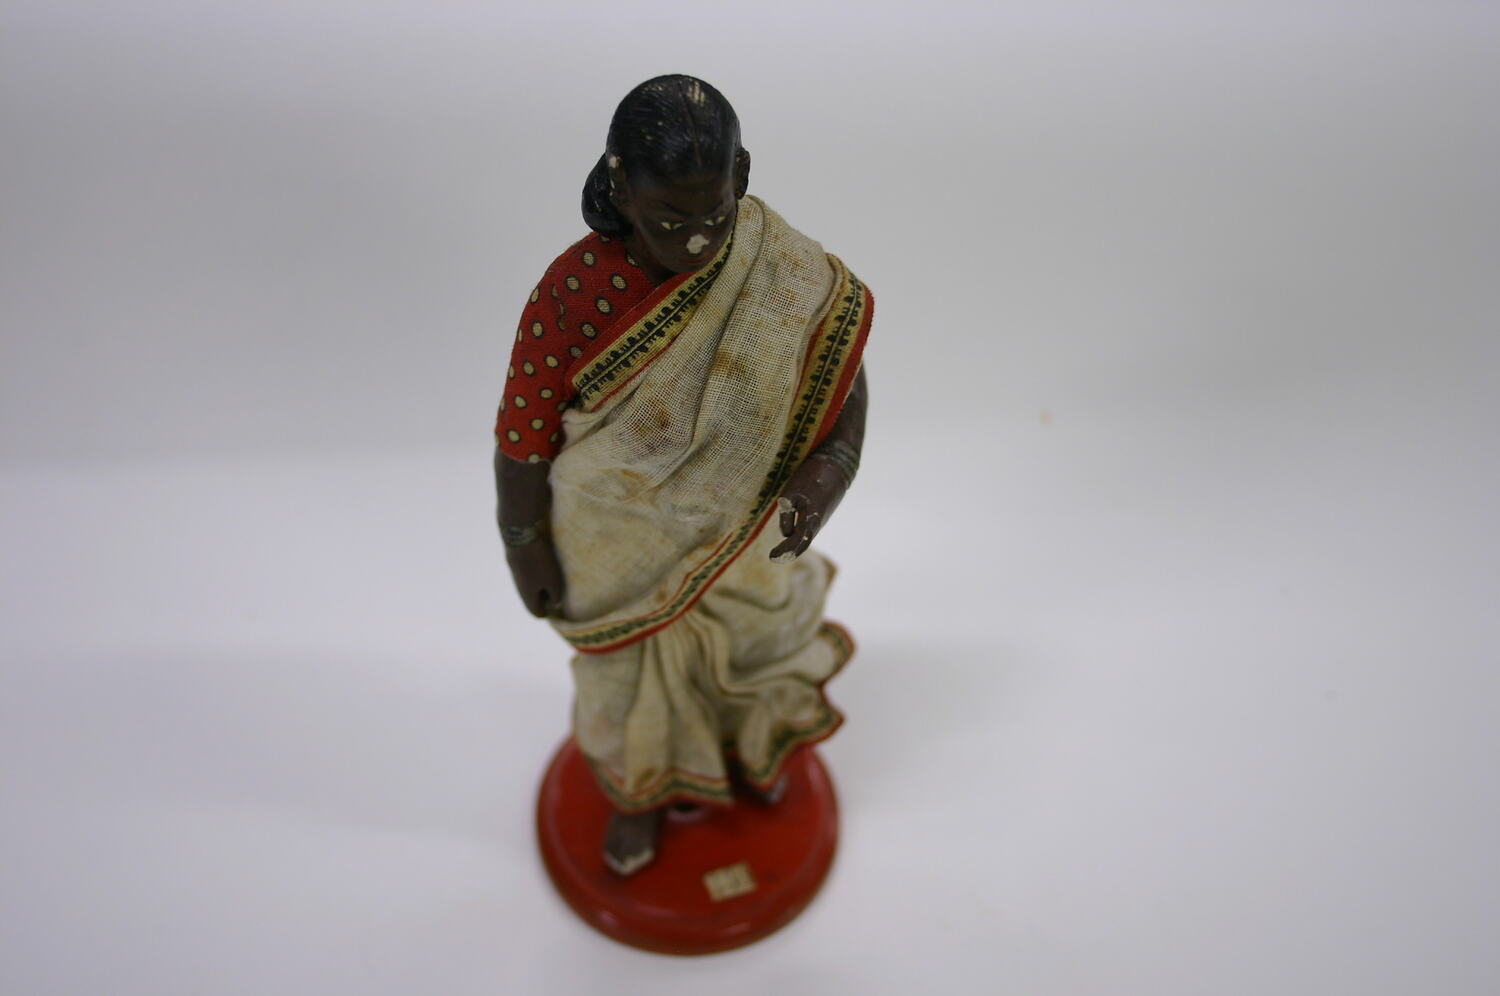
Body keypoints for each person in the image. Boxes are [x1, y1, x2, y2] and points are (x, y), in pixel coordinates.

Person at [495, 75, 871, 876]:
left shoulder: (781, 268)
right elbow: (524, 428)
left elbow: (840, 369)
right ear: (621, 189)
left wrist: (827, 477)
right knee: (623, 678)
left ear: (742, 177)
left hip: (746, 528)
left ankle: (754, 755)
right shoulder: (574, 291)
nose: (698, 244)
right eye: (670, 220)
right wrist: (523, 539)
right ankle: (638, 796)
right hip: (612, 538)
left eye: (714, 215)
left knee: (753, 647)